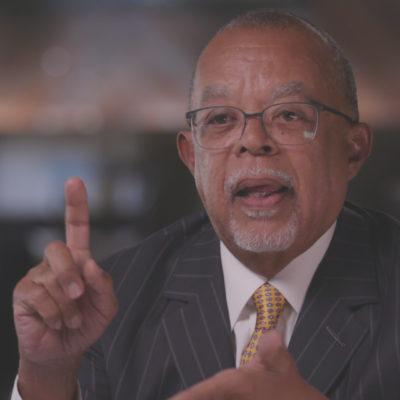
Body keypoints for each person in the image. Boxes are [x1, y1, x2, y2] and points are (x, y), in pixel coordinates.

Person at [11, 8, 400, 400]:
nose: (252, 140)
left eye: (289, 114)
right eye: (220, 120)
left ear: (354, 149)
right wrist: (48, 378)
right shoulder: (110, 303)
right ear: (191, 157)